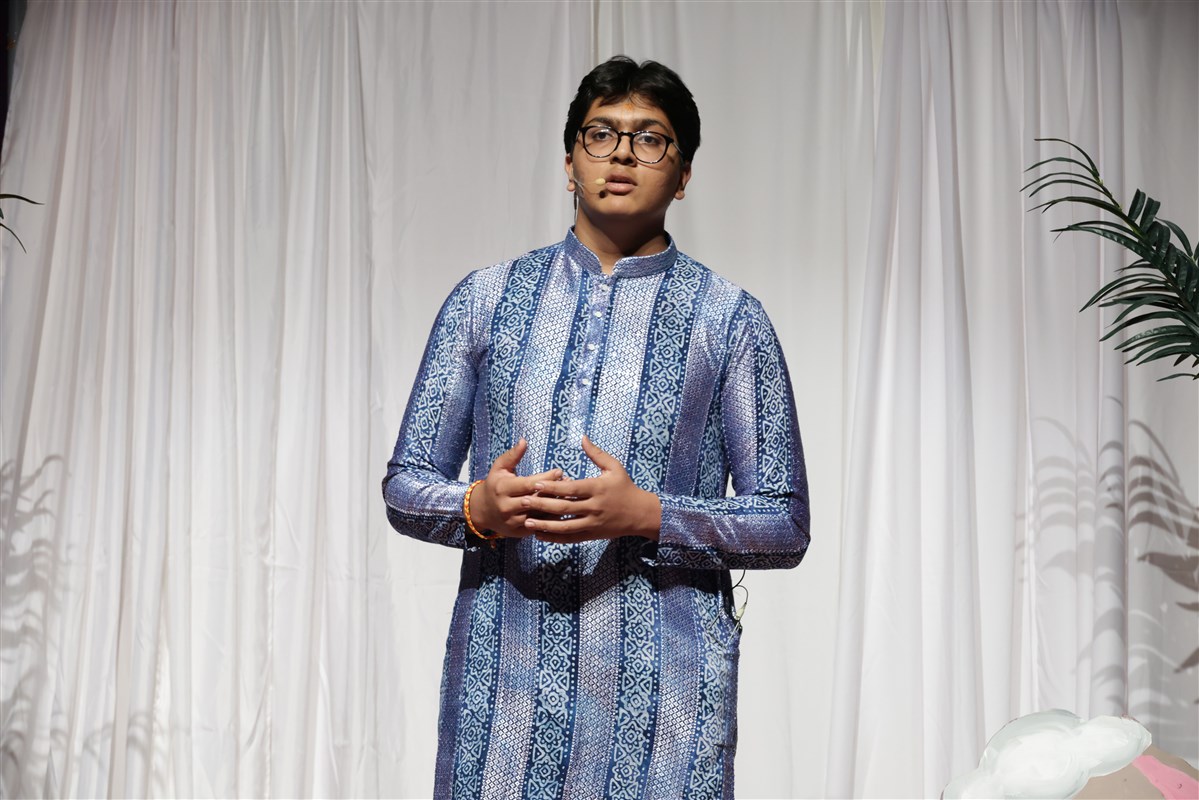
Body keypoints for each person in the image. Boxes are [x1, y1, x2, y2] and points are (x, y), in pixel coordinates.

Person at [383, 55, 809, 800]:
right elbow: (404, 484)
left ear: (683, 175)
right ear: (569, 161)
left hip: (665, 711)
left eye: (650, 139)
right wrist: (477, 507)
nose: (621, 154)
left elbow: (784, 522)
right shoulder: (484, 301)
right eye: (601, 134)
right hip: (501, 700)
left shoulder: (729, 321)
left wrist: (650, 515)